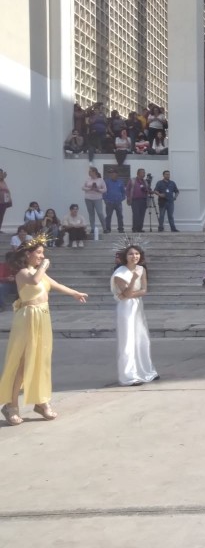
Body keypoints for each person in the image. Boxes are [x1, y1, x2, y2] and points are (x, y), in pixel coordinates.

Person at [0, 235, 88, 425]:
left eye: (43, 253)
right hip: (27, 317)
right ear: (28, 254)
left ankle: (41, 402)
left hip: (42, 316)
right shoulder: (23, 272)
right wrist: (44, 266)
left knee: (41, 359)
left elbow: (55, 285)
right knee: (22, 362)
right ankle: (10, 405)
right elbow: (34, 281)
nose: (42, 256)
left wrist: (75, 293)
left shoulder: (36, 271)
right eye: (38, 253)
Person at [112, 244, 158, 386]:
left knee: (141, 338)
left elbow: (143, 290)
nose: (134, 256)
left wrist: (131, 293)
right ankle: (129, 376)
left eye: (137, 253)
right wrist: (132, 280)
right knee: (128, 340)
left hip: (137, 305)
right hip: (126, 308)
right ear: (125, 257)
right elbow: (125, 294)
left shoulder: (141, 269)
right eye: (131, 254)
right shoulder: (119, 273)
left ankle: (146, 371)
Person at [82, 166, 107, 236]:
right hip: (88, 198)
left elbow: (105, 189)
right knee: (91, 214)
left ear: (94, 172)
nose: (89, 172)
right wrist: (89, 188)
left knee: (100, 213)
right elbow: (83, 187)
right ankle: (92, 228)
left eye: (90, 171)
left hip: (97, 198)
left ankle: (104, 228)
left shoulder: (100, 180)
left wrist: (98, 190)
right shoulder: (87, 179)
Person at [103, 168, 126, 233]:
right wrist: (105, 199)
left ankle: (120, 229)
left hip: (118, 202)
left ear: (117, 174)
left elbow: (123, 192)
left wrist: (122, 198)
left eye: (114, 173)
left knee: (120, 216)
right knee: (108, 216)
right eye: (111, 174)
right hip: (109, 202)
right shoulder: (107, 182)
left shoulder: (120, 182)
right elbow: (104, 191)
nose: (112, 175)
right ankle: (108, 229)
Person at [126, 168, 149, 233]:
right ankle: (135, 228)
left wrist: (147, 190)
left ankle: (140, 228)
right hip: (135, 200)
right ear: (138, 173)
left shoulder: (145, 181)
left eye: (144, 172)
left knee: (142, 215)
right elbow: (127, 189)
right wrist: (128, 197)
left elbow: (148, 190)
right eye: (142, 172)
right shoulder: (132, 180)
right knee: (136, 214)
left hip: (143, 200)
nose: (144, 174)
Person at [0, 168, 11, 233]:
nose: (1, 174)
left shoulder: (3, 182)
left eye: (1, 173)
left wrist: (9, 200)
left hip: (3, 202)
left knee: (1, 216)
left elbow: (6, 191)